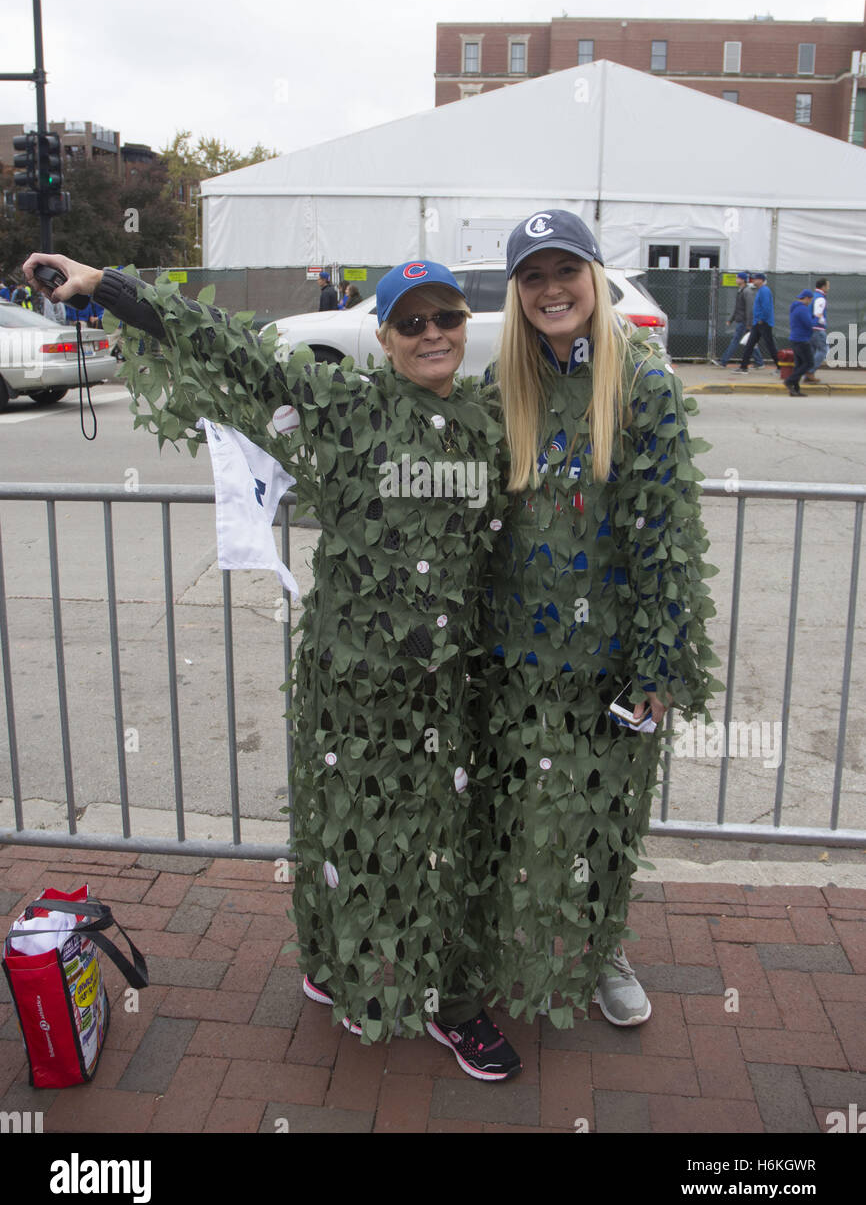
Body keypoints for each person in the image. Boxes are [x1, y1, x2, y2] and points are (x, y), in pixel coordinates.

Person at [23, 249, 521, 1083]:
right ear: (386, 336)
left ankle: (455, 1005)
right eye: (412, 322)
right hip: (353, 680)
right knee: (343, 827)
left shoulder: (491, 422)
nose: (432, 333)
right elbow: (232, 347)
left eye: (446, 318)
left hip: (446, 687)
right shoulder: (344, 405)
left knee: (448, 841)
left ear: (466, 327)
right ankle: (336, 963)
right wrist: (103, 286)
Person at [472, 210, 719, 1031]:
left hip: (615, 661)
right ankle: (519, 941)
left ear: (595, 278)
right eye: (533, 276)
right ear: (518, 292)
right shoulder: (500, 388)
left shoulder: (645, 384)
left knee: (607, 816)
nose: (552, 290)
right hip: (518, 661)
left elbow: (669, 542)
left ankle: (605, 945)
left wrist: (657, 667)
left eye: (565, 271)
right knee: (520, 814)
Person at [716, 273, 764, 369]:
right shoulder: (741, 291)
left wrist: (749, 323)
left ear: (742, 280)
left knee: (736, 340)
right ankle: (759, 362)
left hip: (744, 322)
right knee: (750, 342)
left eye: (738, 278)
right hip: (743, 321)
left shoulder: (747, 292)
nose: (736, 279)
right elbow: (738, 308)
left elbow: (749, 308)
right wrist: (731, 319)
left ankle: (724, 361)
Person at [737, 274, 778, 372]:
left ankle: (780, 366)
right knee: (750, 344)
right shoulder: (761, 290)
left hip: (763, 323)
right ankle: (743, 367)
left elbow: (766, 307)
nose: (753, 281)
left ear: (761, 280)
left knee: (770, 345)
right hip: (758, 323)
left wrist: (762, 319)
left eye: (755, 279)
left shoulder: (764, 291)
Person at [786, 289, 817, 397]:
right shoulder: (803, 309)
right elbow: (809, 324)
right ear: (807, 298)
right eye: (810, 300)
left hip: (795, 339)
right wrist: (817, 318)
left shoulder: (795, 307)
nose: (810, 302)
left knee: (799, 365)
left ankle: (795, 389)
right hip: (802, 339)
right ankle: (789, 381)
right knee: (809, 363)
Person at [806, 278, 829, 384]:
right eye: (828, 285)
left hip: (810, 328)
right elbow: (817, 313)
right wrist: (822, 320)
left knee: (812, 351)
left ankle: (809, 374)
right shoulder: (821, 298)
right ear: (823, 287)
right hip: (817, 328)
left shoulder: (813, 296)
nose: (829, 287)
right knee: (823, 350)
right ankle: (810, 372)